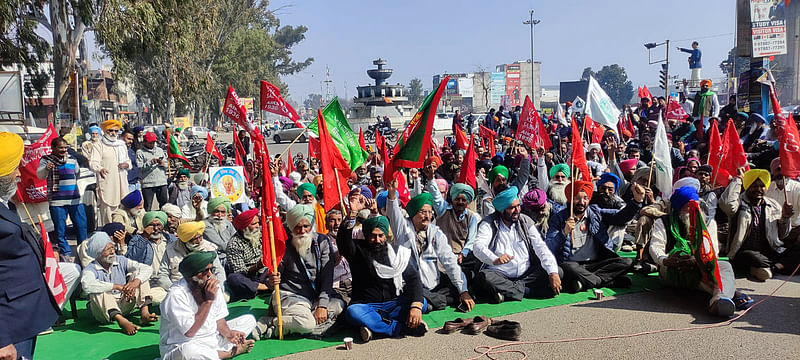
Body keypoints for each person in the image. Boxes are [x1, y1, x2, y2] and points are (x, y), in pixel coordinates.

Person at [0, 132, 59, 360]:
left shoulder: (6, 203)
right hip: (9, 326)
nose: (18, 173)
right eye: (13, 169)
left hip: (23, 316)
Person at [650, 186, 752, 317]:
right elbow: (655, 247)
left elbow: (713, 251)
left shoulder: (709, 223)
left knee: (724, 266)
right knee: (682, 257)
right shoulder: (663, 222)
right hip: (672, 267)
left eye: (695, 206)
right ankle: (727, 293)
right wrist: (666, 260)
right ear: (679, 207)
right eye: (687, 206)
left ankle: (719, 299)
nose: (692, 210)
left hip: (701, 265)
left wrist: (697, 260)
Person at [255, 204, 344, 339]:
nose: (302, 231)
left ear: (311, 226)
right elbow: (272, 278)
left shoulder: (322, 241)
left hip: (314, 296)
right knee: (307, 324)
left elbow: (327, 276)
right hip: (292, 295)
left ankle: (295, 322)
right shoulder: (283, 246)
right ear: (291, 227)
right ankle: (271, 323)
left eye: (306, 226)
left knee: (340, 305)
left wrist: (323, 306)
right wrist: (272, 280)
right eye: (298, 227)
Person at [337, 216, 429, 342]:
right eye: (373, 236)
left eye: (381, 235)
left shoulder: (398, 254)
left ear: (386, 235)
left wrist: (416, 307)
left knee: (422, 302)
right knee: (353, 312)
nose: (377, 240)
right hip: (368, 306)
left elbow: (414, 279)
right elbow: (343, 242)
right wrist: (352, 216)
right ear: (366, 235)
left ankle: (375, 326)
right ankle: (399, 328)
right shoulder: (357, 251)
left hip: (394, 304)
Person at [386, 183, 474, 312]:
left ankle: (429, 302)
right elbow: (394, 214)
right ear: (414, 213)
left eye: (429, 212)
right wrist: (392, 194)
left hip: (432, 285)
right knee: (408, 295)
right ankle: (427, 302)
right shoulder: (403, 230)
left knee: (458, 287)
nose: (427, 216)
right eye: (423, 212)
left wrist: (463, 291)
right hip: (409, 285)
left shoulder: (435, 233)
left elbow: (449, 261)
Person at [546, 181, 643, 292]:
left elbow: (620, 217)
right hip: (572, 265)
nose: (581, 202)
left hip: (595, 264)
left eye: (585, 198)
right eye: (577, 198)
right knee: (568, 268)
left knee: (627, 262)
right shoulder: (559, 218)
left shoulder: (595, 213)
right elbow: (549, 247)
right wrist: (564, 232)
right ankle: (606, 282)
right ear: (570, 199)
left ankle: (585, 281)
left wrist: (637, 201)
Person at [472, 186, 562, 303]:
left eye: (518, 206)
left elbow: (540, 247)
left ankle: (507, 293)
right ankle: (530, 292)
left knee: (558, 271)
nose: (517, 210)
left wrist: (552, 273)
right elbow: (478, 246)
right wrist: (495, 259)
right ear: (501, 210)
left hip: (526, 275)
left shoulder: (525, 220)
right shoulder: (488, 223)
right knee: (484, 278)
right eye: (512, 208)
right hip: (500, 274)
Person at [159, 252, 256, 359]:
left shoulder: (212, 285)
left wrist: (229, 334)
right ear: (192, 276)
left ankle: (216, 352)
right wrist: (208, 301)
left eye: (211, 270)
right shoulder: (176, 295)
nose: (210, 275)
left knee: (249, 320)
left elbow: (219, 319)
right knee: (189, 352)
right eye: (205, 271)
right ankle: (229, 353)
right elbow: (189, 332)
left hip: (212, 338)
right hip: (182, 343)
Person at [719, 169, 798, 280]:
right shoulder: (739, 203)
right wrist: (738, 180)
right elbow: (726, 204)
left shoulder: (773, 205)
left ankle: (772, 268)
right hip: (744, 252)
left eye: (762, 186)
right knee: (754, 258)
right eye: (754, 186)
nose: (758, 189)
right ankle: (777, 266)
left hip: (770, 250)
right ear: (747, 186)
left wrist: (785, 217)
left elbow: (783, 235)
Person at [80, 232, 158, 335]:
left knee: (139, 275)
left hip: (124, 304)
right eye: (108, 250)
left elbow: (147, 268)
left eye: (113, 248)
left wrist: (136, 282)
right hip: (102, 313)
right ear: (98, 253)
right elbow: (87, 285)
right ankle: (122, 321)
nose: (112, 252)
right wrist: (116, 286)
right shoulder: (90, 269)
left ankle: (145, 313)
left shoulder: (120, 260)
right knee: (98, 289)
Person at [37, 136, 88, 260]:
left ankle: (83, 251)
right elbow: (40, 175)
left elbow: (77, 173)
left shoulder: (72, 159)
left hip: (74, 199)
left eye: (65, 148)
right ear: (53, 148)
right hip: (57, 201)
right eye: (61, 148)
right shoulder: (46, 160)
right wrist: (46, 169)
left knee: (81, 225)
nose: (64, 150)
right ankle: (66, 254)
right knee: (61, 229)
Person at [157, 221, 226, 291]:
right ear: (184, 240)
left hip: (205, 288)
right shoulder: (170, 250)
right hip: (179, 288)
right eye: (195, 239)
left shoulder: (209, 248)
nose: (199, 241)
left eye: (200, 237)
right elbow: (162, 275)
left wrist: (218, 288)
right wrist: (174, 289)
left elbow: (219, 270)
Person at [125, 211, 174, 303]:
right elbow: (131, 259)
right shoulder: (137, 240)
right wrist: (145, 237)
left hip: (167, 280)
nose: (155, 229)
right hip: (148, 282)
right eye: (152, 225)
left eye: (158, 225)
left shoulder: (170, 240)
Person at [90, 119, 131, 226]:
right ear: (105, 132)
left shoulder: (121, 145)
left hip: (122, 184)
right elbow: (93, 163)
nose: (114, 133)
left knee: (123, 213)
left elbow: (128, 161)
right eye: (111, 131)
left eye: (116, 131)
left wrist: (126, 164)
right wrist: (100, 169)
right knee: (108, 213)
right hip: (108, 184)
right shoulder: (99, 145)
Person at [225, 209, 268, 301]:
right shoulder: (234, 244)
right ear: (244, 228)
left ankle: (265, 287)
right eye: (253, 224)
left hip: (265, 273)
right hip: (249, 278)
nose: (257, 226)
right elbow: (240, 271)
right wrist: (257, 266)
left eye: (257, 223)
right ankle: (263, 288)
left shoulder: (260, 234)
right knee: (233, 278)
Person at [436, 183, 481, 267]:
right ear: (452, 199)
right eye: (457, 199)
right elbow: (436, 197)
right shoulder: (443, 210)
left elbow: (471, 239)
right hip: (441, 254)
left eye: (463, 200)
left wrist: (463, 254)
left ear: (467, 202)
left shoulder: (471, 217)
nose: (460, 202)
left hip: (461, 256)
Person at [138, 132, 169, 211]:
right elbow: (140, 168)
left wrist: (163, 164)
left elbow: (166, 165)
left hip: (161, 182)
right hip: (148, 184)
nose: (152, 144)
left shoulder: (160, 150)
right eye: (150, 142)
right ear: (145, 142)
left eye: (153, 142)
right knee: (148, 206)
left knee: (164, 205)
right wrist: (151, 162)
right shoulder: (140, 152)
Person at [204, 197, 236, 265]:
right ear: (211, 211)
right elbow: (221, 245)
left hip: (232, 254)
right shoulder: (205, 225)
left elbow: (236, 238)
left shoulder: (227, 223)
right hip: (216, 258)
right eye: (216, 211)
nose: (220, 215)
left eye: (223, 212)